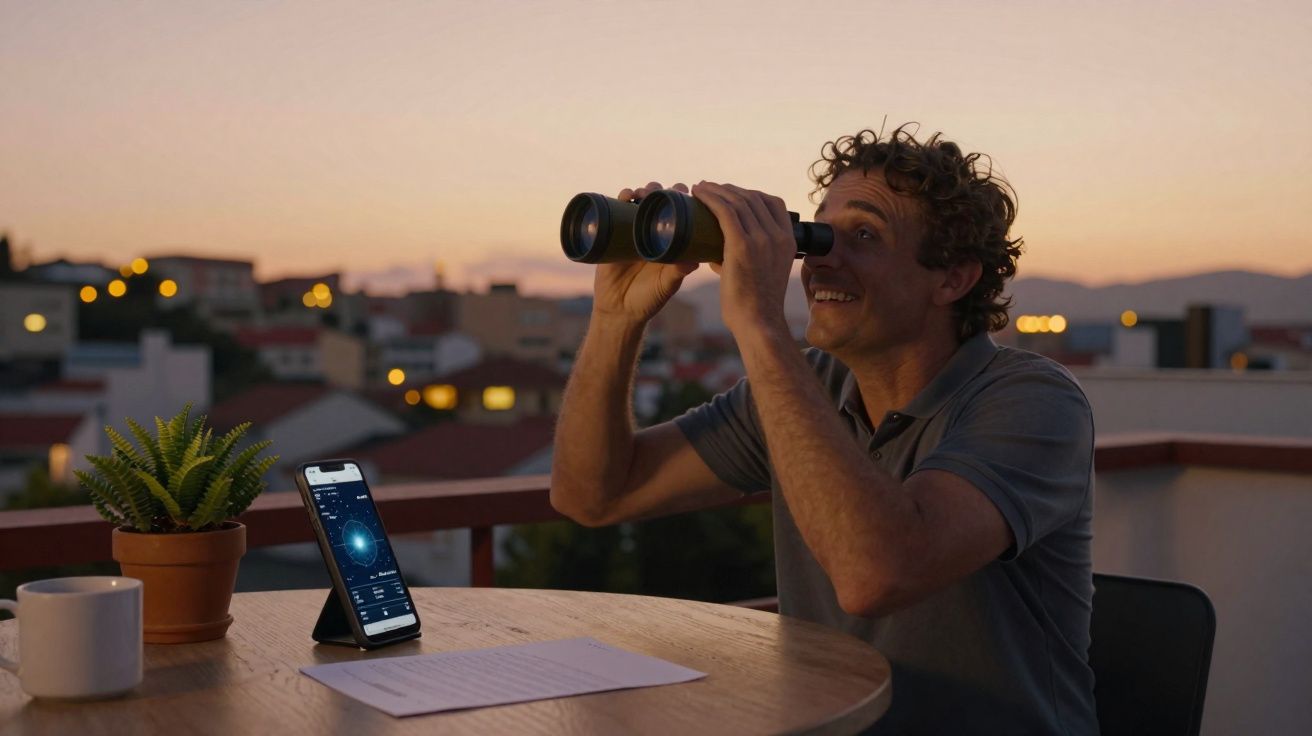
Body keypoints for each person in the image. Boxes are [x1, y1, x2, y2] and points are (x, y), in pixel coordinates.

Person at [550, 124, 1097, 735]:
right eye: (817, 234)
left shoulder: (1031, 400)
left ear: (953, 278)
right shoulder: (808, 389)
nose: (819, 259)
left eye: (864, 235)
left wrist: (760, 321)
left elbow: (875, 575)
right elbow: (593, 495)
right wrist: (614, 318)